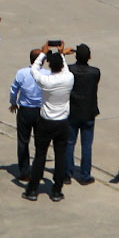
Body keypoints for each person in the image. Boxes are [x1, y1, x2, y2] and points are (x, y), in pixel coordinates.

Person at [24, 49, 75, 201]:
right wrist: (61, 55)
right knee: (60, 156)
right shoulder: (69, 78)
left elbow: (34, 69)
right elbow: (65, 68)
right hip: (62, 122)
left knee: (40, 156)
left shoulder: (46, 81)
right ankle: (57, 190)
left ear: (50, 65)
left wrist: (43, 54)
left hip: (46, 122)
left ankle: (32, 190)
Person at [65, 43, 100, 186]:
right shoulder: (95, 72)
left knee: (69, 143)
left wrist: (62, 54)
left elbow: (58, 69)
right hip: (88, 112)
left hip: (72, 111)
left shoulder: (69, 70)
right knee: (86, 145)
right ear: (89, 57)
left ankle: (67, 173)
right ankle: (85, 175)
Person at [8, 49, 43, 183]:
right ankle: (38, 171)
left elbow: (13, 89)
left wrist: (13, 103)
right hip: (41, 111)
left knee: (23, 141)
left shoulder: (22, 73)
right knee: (40, 143)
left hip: (25, 110)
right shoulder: (46, 74)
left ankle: (24, 172)